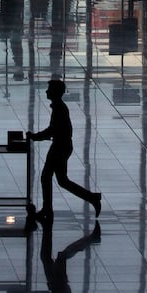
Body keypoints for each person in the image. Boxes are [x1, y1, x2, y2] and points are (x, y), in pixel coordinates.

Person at [27, 79, 101, 223]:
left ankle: (48, 209)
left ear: (55, 92)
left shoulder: (59, 108)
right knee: (62, 180)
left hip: (60, 146)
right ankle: (92, 198)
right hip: (63, 145)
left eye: (49, 89)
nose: (46, 91)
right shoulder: (59, 107)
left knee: (47, 176)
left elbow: (52, 130)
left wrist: (35, 137)